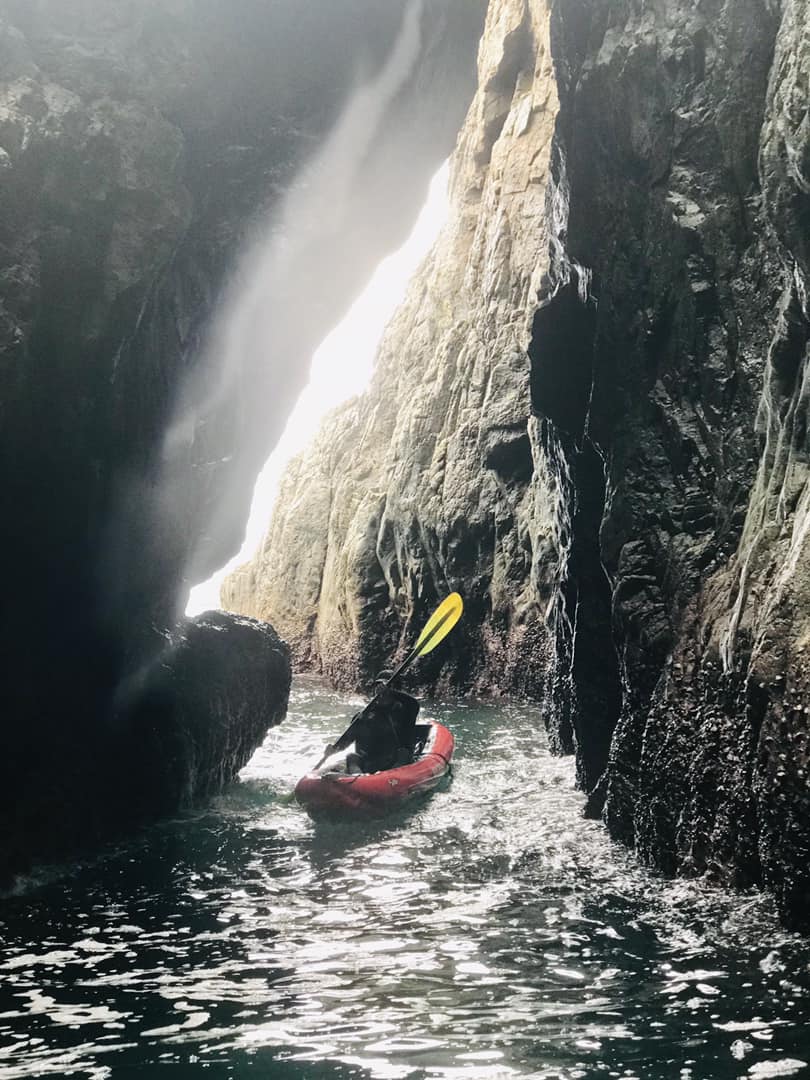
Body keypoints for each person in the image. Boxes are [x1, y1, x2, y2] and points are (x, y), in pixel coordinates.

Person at [326, 673, 420, 774]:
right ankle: (358, 778)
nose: (380, 691)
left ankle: (391, 777)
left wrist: (391, 692)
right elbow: (347, 739)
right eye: (378, 687)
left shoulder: (405, 711)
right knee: (352, 757)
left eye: (384, 688)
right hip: (371, 763)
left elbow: (414, 704)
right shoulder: (364, 716)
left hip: (394, 762)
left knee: (403, 754)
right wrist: (334, 749)